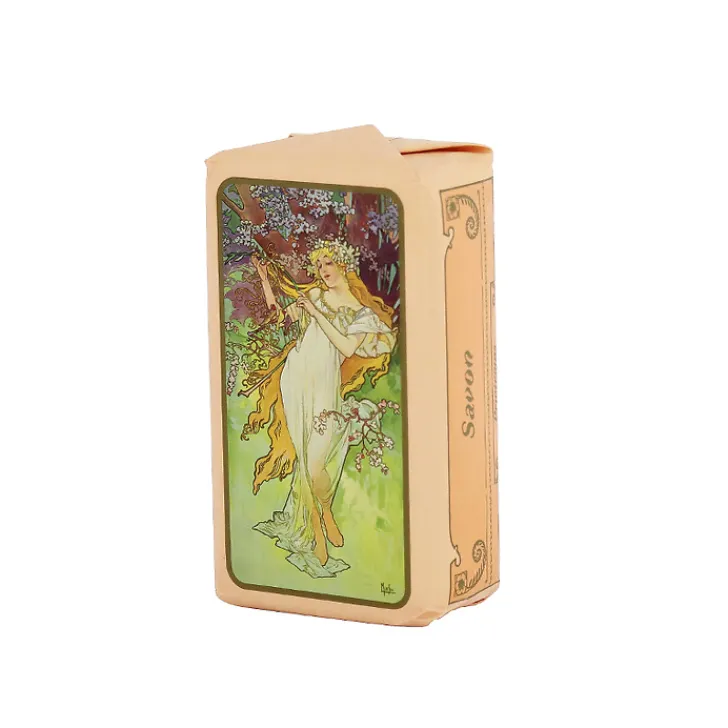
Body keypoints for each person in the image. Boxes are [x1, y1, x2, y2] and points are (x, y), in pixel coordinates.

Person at [246, 239, 397, 577]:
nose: (322, 270)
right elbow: (280, 318)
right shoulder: (314, 295)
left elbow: (345, 347)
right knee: (304, 458)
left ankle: (325, 510)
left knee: (316, 464)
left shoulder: (361, 314)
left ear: (344, 263)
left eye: (328, 262)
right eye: (318, 265)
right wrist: (265, 279)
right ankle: (316, 524)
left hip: (325, 387)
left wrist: (316, 314)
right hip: (296, 378)